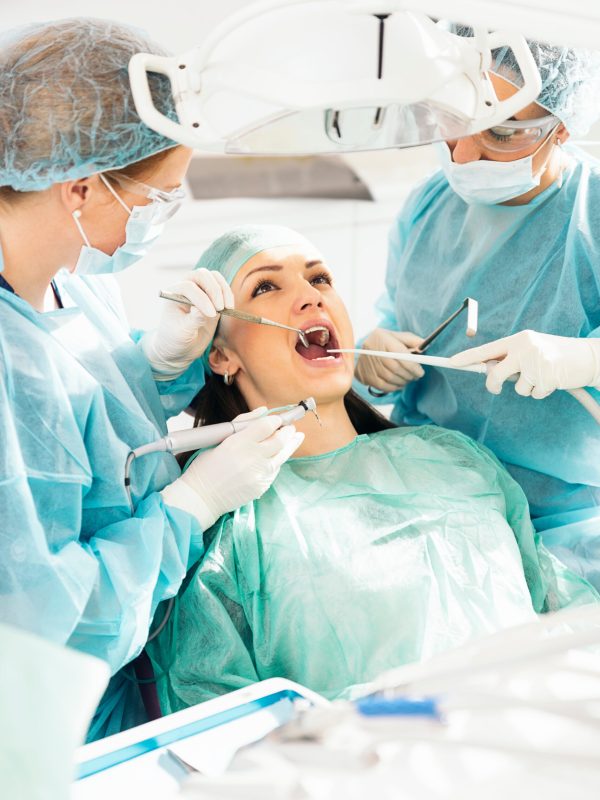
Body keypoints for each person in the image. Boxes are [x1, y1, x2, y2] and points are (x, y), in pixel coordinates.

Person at [146, 225, 597, 713]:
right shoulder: (227, 526)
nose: (309, 298)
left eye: (319, 279)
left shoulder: (456, 460)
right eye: (266, 286)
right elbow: (216, 725)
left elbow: (564, 620)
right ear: (221, 355)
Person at [0, 19, 302, 741]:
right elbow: (41, 627)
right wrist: (191, 507)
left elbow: (87, 415)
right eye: (160, 193)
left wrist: (156, 365)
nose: (168, 209)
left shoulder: (70, 275)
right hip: (45, 726)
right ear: (79, 187)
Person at [355, 32, 600, 589]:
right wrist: (375, 354)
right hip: (424, 491)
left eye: (501, 133)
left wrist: (585, 360)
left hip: (559, 527)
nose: (463, 155)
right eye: (454, 122)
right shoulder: (428, 205)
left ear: (562, 126)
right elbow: (398, 312)